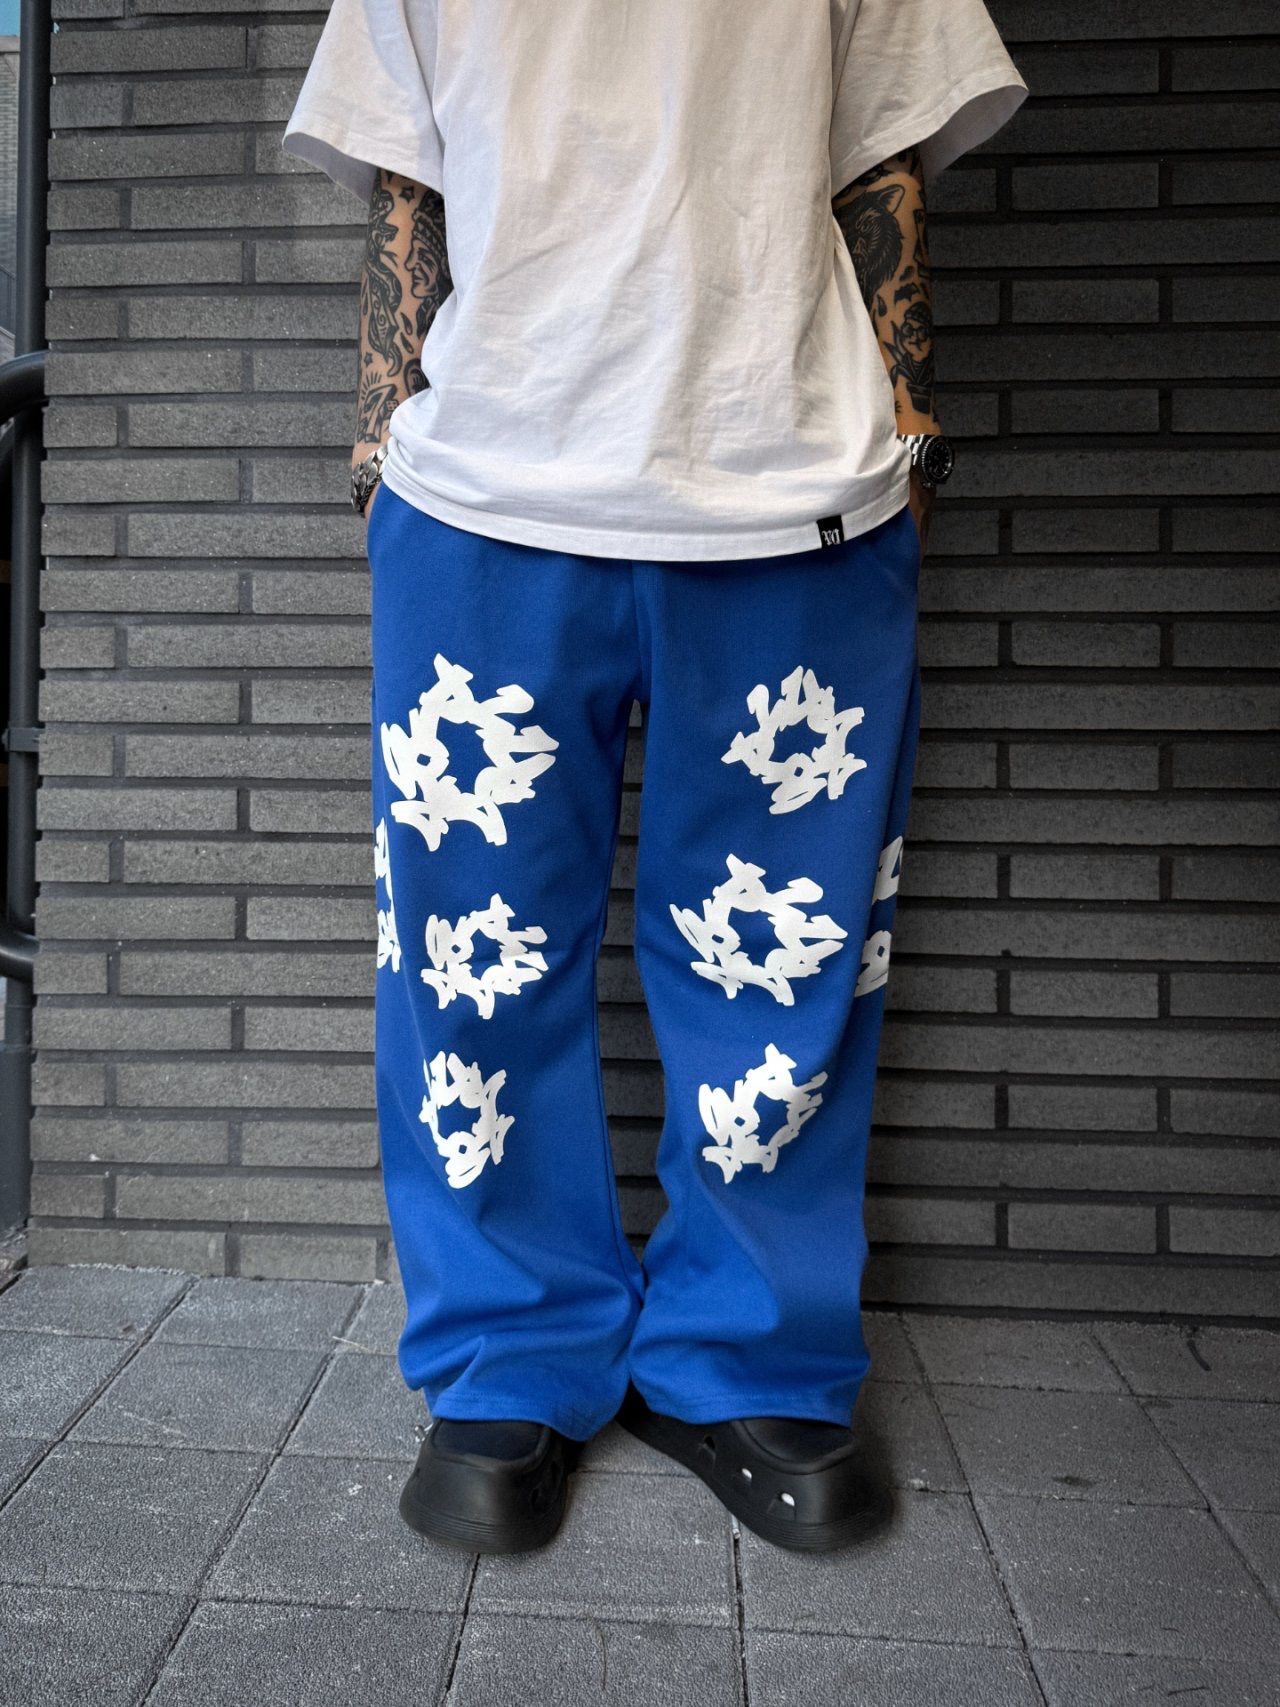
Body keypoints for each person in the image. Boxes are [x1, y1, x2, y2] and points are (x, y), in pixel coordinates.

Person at [284, 0, 1026, 1555]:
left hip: (796, 499)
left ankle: (744, 1359)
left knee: (787, 963)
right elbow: (406, 179)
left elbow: (883, 164)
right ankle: (507, 1355)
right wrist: (378, 456)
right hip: (482, 500)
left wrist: (911, 439)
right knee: (472, 967)